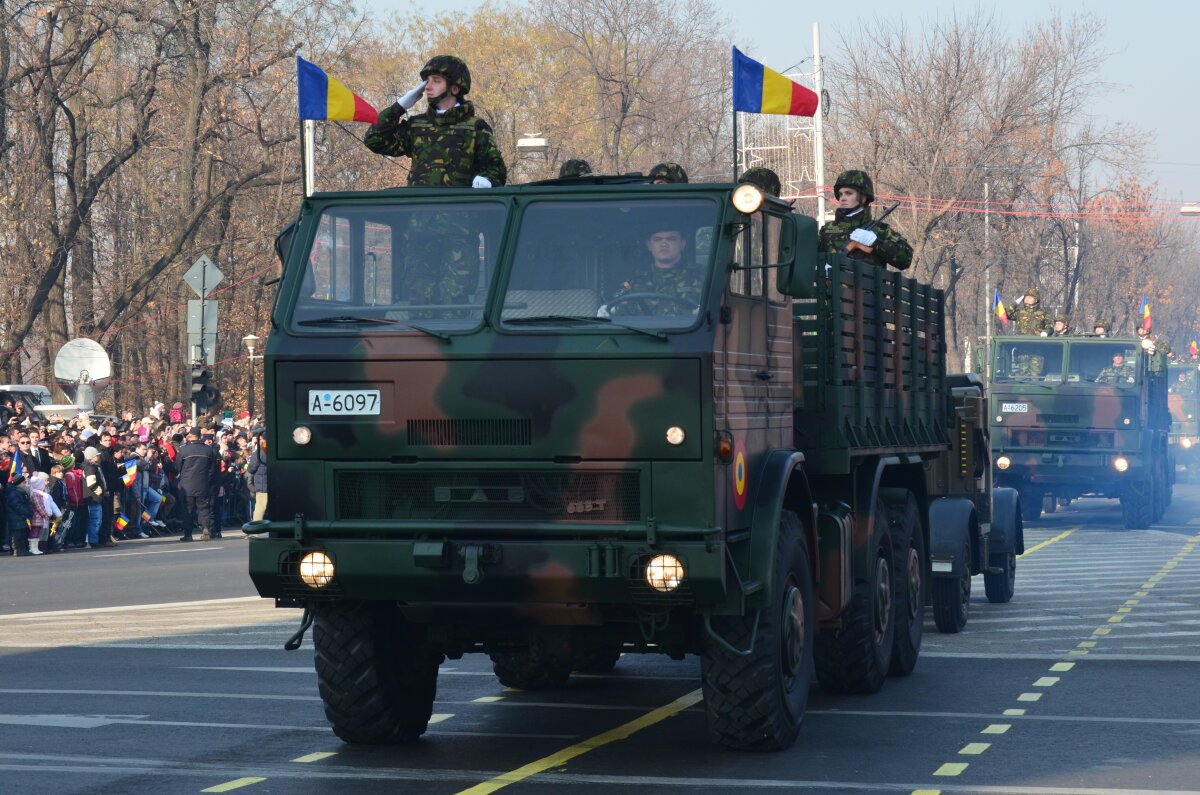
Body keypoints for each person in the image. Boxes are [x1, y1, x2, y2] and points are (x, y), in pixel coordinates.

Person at [364, 55, 507, 189]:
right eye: (427, 81)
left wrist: (487, 180)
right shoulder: (416, 125)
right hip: (420, 211)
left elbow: (496, 168)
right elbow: (375, 141)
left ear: (455, 88)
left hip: (458, 211)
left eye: (436, 81)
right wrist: (398, 107)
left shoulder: (475, 128)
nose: (427, 87)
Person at [602, 218, 703, 316]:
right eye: (658, 239)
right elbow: (621, 313)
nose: (664, 244)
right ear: (649, 245)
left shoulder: (703, 277)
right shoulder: (635, 281)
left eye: (671, 239)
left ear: (682, 244)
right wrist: (608, 313)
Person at [818, 170, 912, 270]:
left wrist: (877, 242)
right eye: (840, 194)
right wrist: (819, 268)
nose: (842, 198)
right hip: (832, 284)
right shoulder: (827, 230)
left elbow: (906, 260)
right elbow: (808, 256)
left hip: (867, 285)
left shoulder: (880, 230)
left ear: (863, 198)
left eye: (848, 193)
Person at [176, 427, 221, 542]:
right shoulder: (208, 450)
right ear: (200, 436)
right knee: (204, 509)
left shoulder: (184, 450)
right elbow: (212, 470)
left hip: (187, 485)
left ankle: (188, 534)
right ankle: (206, 528)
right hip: (203, 484)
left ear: (190, 435)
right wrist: (206, 479)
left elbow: (177, 467)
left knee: (188, 510)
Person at [5, 473, 34, 556]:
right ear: (20, 483)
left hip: (20, 517)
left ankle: (22, 549)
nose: (26, 484)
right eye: (24, 482)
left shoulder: (20, 492)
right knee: (17, 535)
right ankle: (17, 550)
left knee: (22, 534)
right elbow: (17, 505)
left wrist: (28, 511)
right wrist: (26, 511)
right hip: (16, 517)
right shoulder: (13, 493)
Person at [246, 428, 269, 522]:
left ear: (263, 439)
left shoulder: (260, 452)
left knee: (260, 508)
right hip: (276, 484)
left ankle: (255, 531)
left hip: (263, 485)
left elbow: (251, 468)